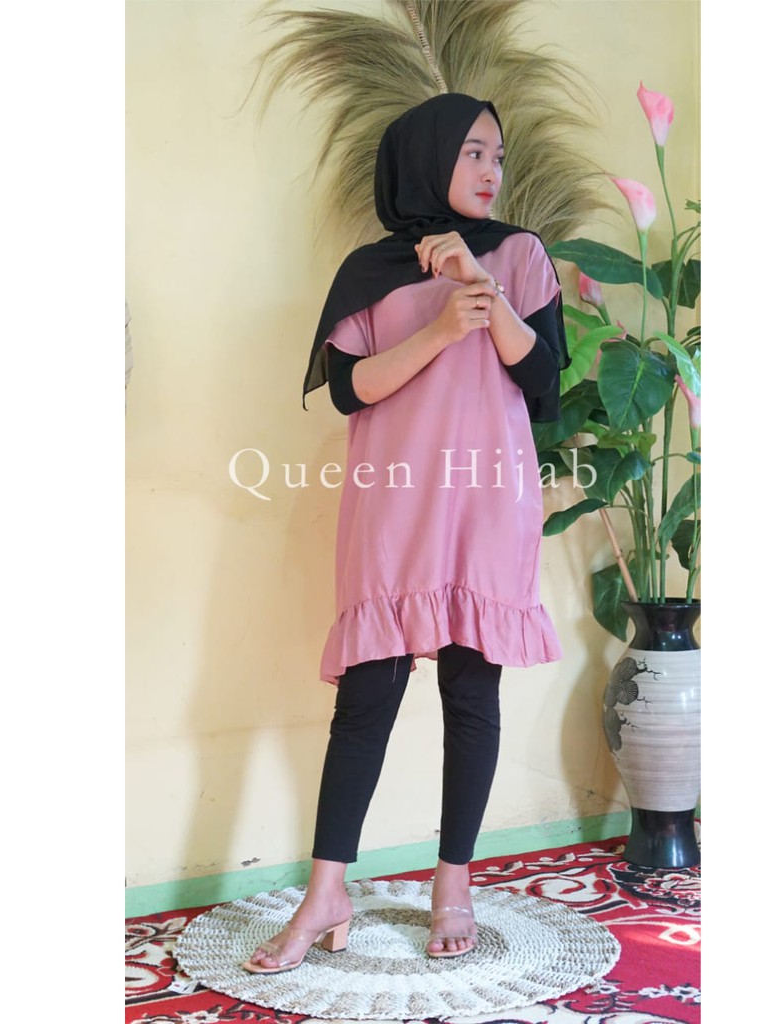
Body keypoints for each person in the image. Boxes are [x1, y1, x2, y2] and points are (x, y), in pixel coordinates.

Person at [243, 92, 569, 974]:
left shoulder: (518, 255)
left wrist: (479, 288)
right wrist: (438, 327)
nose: (491, 170)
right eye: (472, 152)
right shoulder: (370, 271)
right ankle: (327, 892)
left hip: (485, 501)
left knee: (471, 690)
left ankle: (452, 884)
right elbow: (351, 389)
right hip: (392, 501)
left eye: (498, 155)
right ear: (425, 157)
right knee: (367, 697)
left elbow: (543, 380)